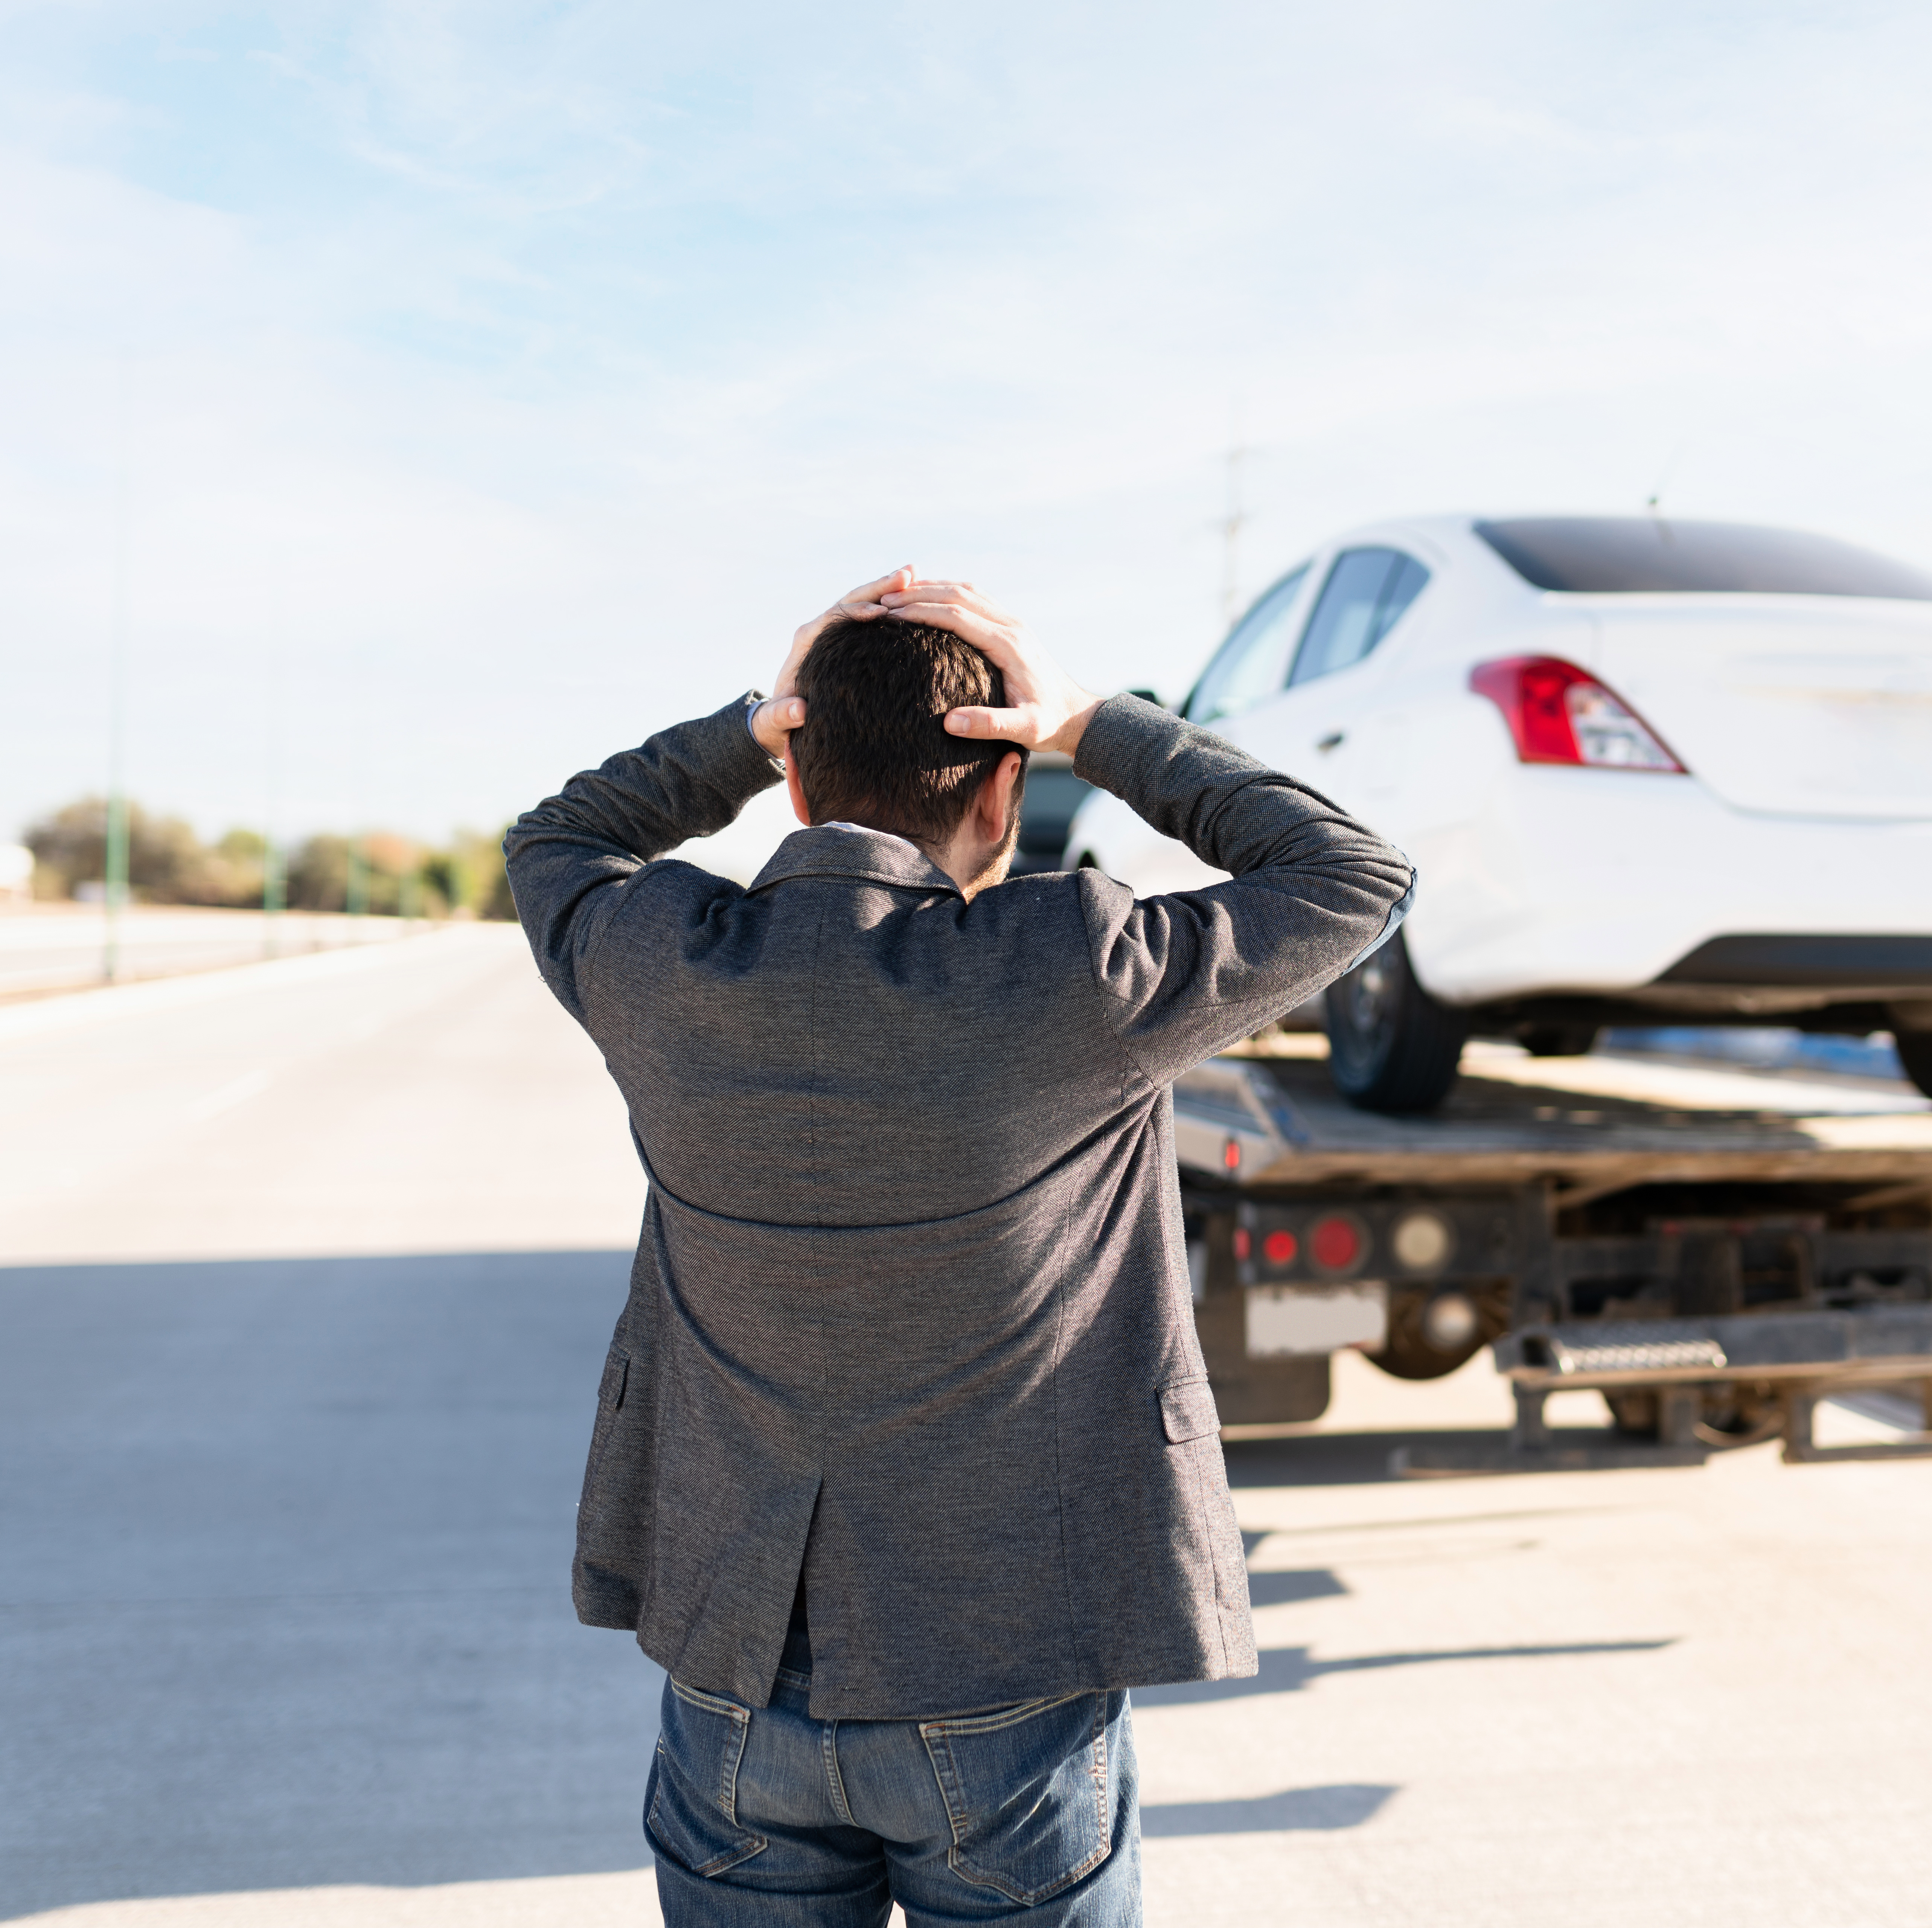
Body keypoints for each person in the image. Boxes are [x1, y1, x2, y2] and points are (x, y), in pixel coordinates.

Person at [504, 569, 1413, 1926]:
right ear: (1001, 790)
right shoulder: (1074, 970)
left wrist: (755, 725)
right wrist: (1094, 722)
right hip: (1008, 1677)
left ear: (797, 785)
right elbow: (1357, 875)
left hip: (735, 1673)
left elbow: (559, 836)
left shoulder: (660, 961)